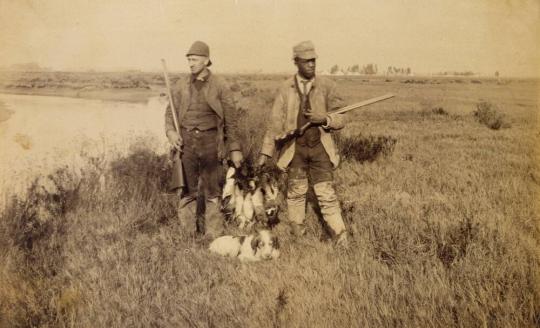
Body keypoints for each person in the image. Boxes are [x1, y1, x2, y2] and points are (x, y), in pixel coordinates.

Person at [257, 40, 348, 247]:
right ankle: (299, 237)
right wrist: (265, 154)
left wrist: (324, 119)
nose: (311, 65)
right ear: (296, 62)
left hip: (321, 149)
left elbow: (341, 118)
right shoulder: (285, 89)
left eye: (313, 61)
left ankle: (340, 237)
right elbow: (274, 124)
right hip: (294, 150)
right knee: (296, 193)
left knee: (326, 194)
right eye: (306, 61)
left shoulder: (327, 86)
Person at [165, 41, 243, 238]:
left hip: (211, 143)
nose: (190, 64)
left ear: (206, 60)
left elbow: (231, 121)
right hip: (186, 144)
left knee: (213, 191)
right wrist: (172, 134)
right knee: (187, 190)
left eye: (194, 59)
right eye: (189, 60)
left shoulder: (220, 86)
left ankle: (214, 236)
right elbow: (169, 114)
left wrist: (234, 148)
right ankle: (187, 235)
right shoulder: (181, 85)